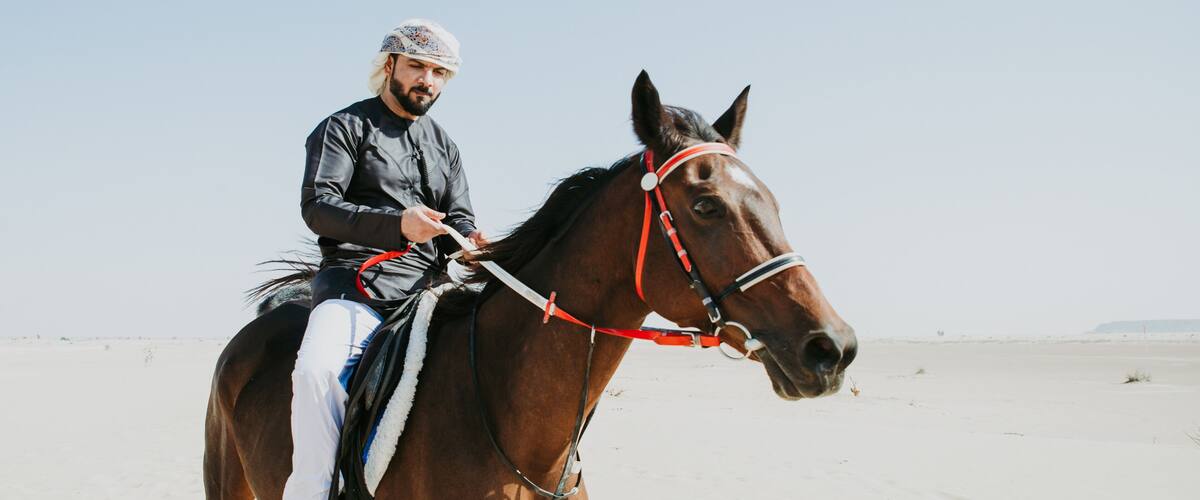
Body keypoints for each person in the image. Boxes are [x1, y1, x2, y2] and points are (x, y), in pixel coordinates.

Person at [285, 19, 485, 499]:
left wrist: (474, 243)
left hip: (430, 294)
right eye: (417, 66)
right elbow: (318, 207)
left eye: (439, 72)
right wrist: (398, 224)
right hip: (356, 288)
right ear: (389, 65)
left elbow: (460, 218)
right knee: (317, 372)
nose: (428, 80)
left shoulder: (445, 146)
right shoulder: (343, 127)